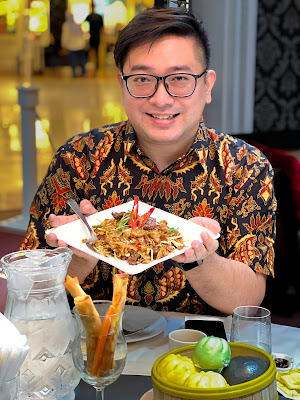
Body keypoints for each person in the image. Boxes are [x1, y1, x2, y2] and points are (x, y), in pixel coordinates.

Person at [20, 7, 276, 316]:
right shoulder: (78, 159)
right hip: (93, 347)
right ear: (122, 86)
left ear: (207, 86)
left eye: (179, 78)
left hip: (197, 353)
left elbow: (247, 300)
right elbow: (29, 293)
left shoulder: (245, 166)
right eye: (142, 79)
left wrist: (200, 258)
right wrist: (80, 255)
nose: (161, 98)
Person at [61, 11, 87, 77]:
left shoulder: (66, 25)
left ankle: (74, 73)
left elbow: (65, 36)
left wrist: (64, 45)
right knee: (81, 60)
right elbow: (83, 34)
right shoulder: (77, 24)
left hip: (71, 46)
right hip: (80, 45)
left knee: (73, 61)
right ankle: (84, 72)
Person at [85, 2, 104, 70]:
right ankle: (95, 65)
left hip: (93, 37)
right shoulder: (98, 17)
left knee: (92, 51)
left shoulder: (90, 16)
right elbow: (102, 29)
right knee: (95, 52)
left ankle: (94, 65)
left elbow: (84, 24)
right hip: (96, 37)